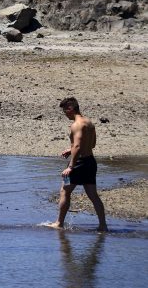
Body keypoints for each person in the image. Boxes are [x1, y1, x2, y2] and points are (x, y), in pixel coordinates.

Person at [50, 97, 108, 232]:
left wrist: (70, 166)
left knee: (65, 191)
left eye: (65, 111)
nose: (65, 114)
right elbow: (91, 144)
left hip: (79, 163)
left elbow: (77, 145)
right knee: (93, 195)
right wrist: (70, 150)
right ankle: (103, 225)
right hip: (90, 162)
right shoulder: (89, 122)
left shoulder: (76, 125)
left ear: (70, 109)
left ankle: (59, 223)